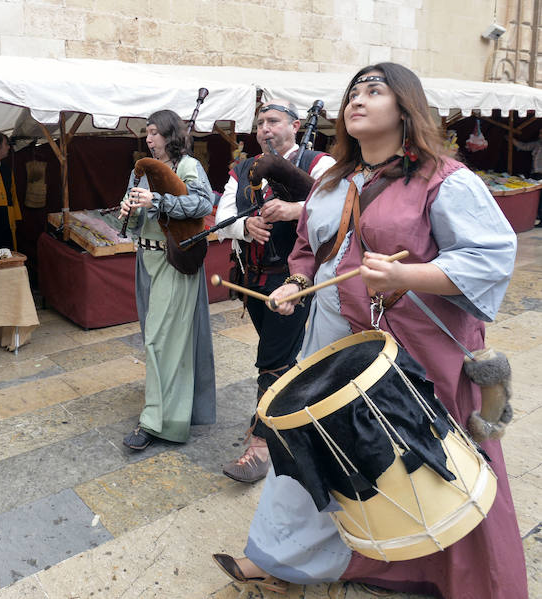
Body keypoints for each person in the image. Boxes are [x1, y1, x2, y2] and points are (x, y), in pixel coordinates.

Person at [212, 63, 527, 599]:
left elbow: (491, 257)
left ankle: (465, 578)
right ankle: (282, 560)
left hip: (414, 350)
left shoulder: (445, 179)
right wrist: (294, 282)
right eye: (353, 92)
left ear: (405, 107)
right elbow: (309, 250)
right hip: (334, 341)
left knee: (432, 466)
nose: (357, 99)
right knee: (315, 450)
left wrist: (408, 275)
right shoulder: (335, 180)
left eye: (374, 91)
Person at [215, 99, 335, 483]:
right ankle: (289, 413)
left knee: (271, 357)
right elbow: (220, 220)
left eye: (274, 121)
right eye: (260, 123)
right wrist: (244, 226)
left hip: (295, 280)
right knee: (280, 355)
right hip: (251, 277)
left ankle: (262, 445)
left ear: (295, 126)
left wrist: (296, 210)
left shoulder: (320, 164)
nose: (265, 129)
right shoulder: (242, 168)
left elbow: (346, 210)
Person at [118, 109, 217, 450]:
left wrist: (157, 200)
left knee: (159, 341)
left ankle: (155, 422)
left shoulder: (188, 166)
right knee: (160, 339)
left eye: (155, 133)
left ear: (171, 135)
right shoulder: (144, 172)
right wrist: (129, 213)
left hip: (174, 262)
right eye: (147, 133)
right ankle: (174, 413)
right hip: (146, 262)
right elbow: (135, 225)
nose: (149, 138)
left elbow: (204, 203)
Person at [512, 129, 542, 226]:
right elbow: (524, 146)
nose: (540, 135)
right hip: (536, 174)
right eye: (540, 133)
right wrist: (512, 140)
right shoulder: (537, 144)